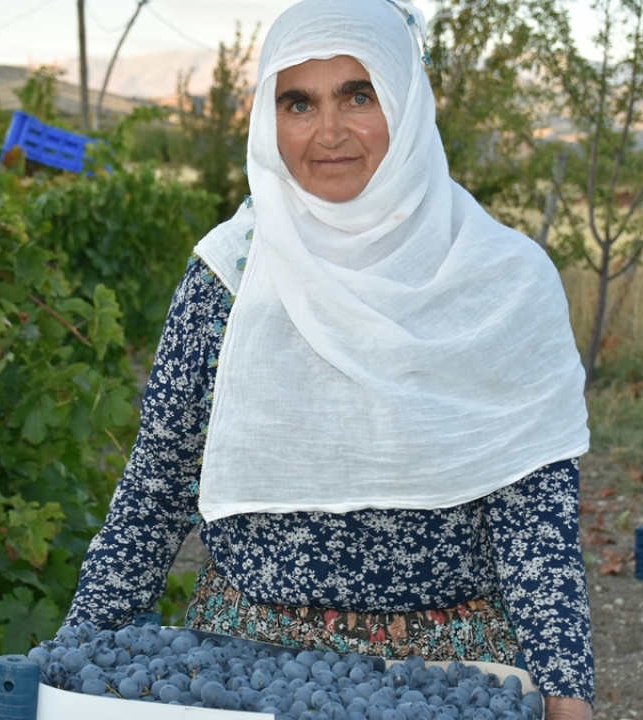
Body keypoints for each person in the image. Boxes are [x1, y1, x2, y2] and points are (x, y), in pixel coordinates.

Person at [64, 0, 594, 717]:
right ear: (267, 117)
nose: (330, 132)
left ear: (406, 105)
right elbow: (153, 496)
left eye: (358, 94)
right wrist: (70, 664)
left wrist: (567, 695)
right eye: (298, 102)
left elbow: (536, 519)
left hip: (449, 681)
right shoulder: (229, 278)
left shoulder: (500, 284)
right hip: (242, 670)